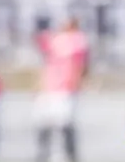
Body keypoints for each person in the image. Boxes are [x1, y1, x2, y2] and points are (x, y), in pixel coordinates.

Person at [34, 16, 89, 162]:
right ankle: (43, 155)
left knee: (65, 124)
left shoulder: (78, 39)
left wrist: (76, 82)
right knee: (44, 123)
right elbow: (46, 58)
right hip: (51, 87)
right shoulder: (57, 38)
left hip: (66, 88)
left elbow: (81, 65)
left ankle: (70, 155)